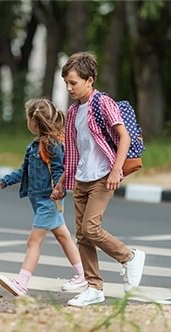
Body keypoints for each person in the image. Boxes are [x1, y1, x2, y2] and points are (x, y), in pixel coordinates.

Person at [52, 51, 146, 307]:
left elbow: (124, 137)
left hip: (103, 176)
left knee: (91, 228)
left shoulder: (102, 103)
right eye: (67, 83)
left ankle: (129, 257)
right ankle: (94, 287)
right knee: (82, 236)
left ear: (90, 80)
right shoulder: (73, 113)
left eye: (74, 82)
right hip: (82, 178)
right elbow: (74, 152)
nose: (69, 88)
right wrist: (62, 181)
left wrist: (116, 170)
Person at [0, 98, 87, 297]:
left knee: (33, 241)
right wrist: (4, 182)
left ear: (34, 121)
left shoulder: (53, 145)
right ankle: (83, 276)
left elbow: (61, 171)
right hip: (41, 201)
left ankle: (22, 283)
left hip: (48, 201)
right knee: (63, 236)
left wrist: (58, 192)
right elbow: (23, 171)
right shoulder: (33, 146)